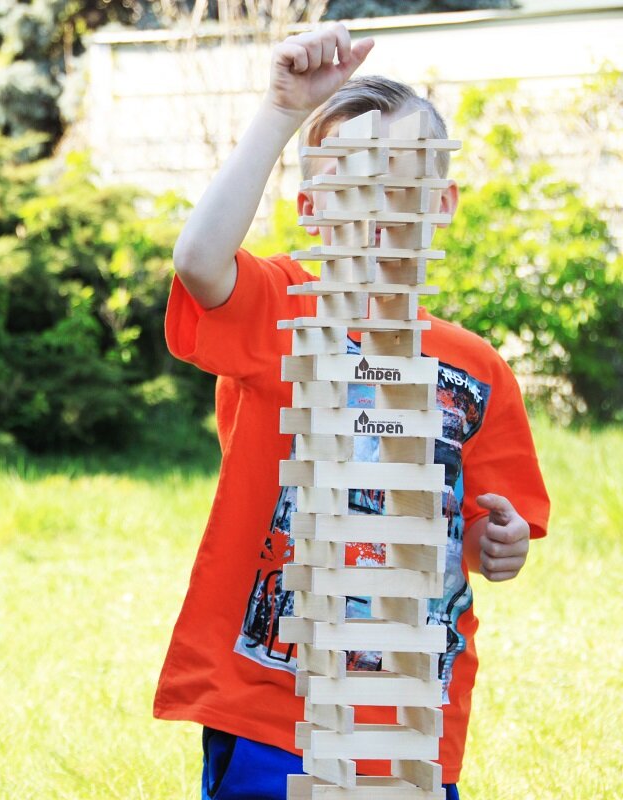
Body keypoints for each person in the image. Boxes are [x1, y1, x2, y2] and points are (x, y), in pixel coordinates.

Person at [156, 23, 550, 800]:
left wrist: (498, 540)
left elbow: (482, 528)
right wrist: (280, 110)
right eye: (349, 185)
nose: (376, 209)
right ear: (310, 206)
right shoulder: (278, 311)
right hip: (272, 699)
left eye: (399, 185)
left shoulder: (476, 370)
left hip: (410, 707)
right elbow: (199, 261)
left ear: (441, 202)